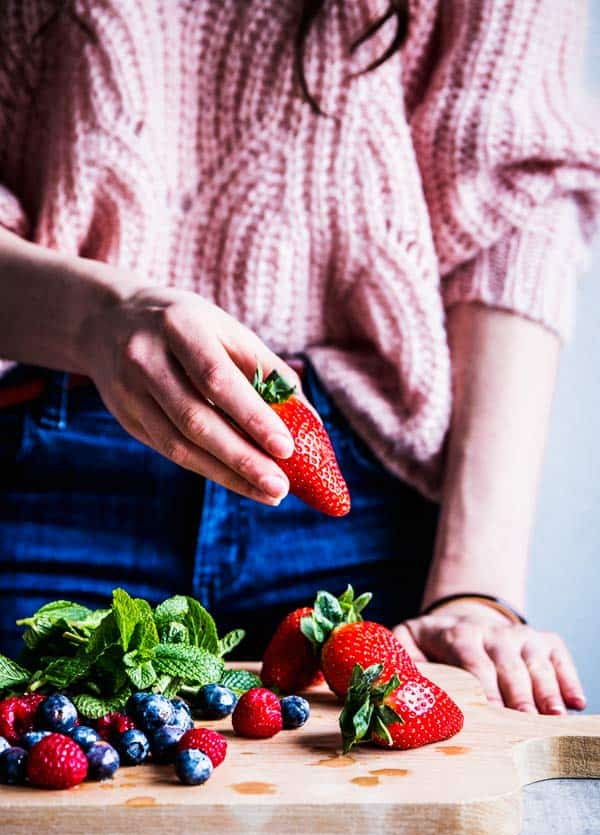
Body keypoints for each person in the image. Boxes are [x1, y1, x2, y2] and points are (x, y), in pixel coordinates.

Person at [0, 1, 598, 715]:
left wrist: (475, 589)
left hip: (367, 491)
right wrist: (95, 319)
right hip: (48, 463)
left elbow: (517, 197)